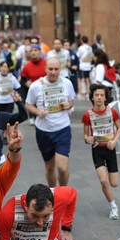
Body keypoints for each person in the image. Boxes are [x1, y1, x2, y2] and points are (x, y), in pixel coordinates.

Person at [25, 58, 75, 187]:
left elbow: (71, 101)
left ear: (60, 69)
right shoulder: (36, 85)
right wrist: (38, 112)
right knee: (50, 167)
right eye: (50, 69)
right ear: (45, 69)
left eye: (56, 69)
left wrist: (68, 105)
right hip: (44, 131)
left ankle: (63, 193)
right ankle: (53, 195)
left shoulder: (67, 83)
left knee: (62, 168)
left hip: (62, 128)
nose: (53, 72)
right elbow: (28, 104)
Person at [0, 184, 77, 240]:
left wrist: (66, 229)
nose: (40, 222)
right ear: (26, 206)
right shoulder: (8, 213)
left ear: (52, 206)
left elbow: (72, 194)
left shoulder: (59, 197)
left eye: (45, 216)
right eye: (35, 216)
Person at [81, 84, 120, 219]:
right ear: (92, 97)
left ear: (106, 98)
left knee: (114, 183)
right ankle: (113, 207)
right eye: (97, 95)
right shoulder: (88, 115)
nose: (99, 98)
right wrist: (88, 140)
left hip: (110, 149)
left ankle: (112, 200)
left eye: (102, 95)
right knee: (104, 181)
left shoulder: (112, 112)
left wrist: (115, 141)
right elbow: (85, 135)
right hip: (97, 150)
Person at [19, 44, 47, 125]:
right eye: (31, 51)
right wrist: (26, 83)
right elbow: (22, 80)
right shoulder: (27, 66)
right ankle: (33, 119)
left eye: (36, 50)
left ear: (40, 52)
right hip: (34, 92)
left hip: (46, 91)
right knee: (37, 117)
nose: (33, 52)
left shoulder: (46, 63)